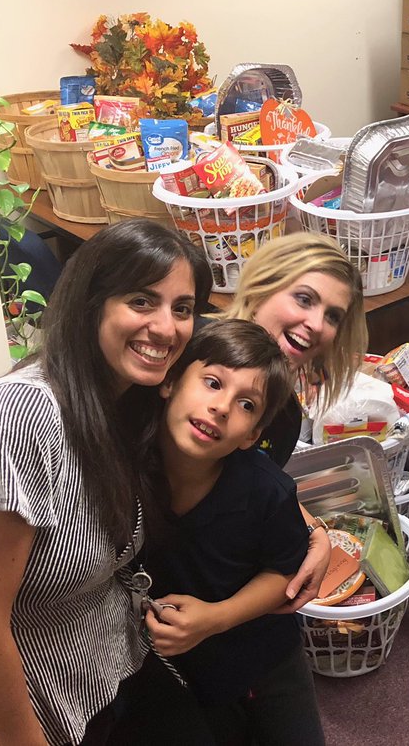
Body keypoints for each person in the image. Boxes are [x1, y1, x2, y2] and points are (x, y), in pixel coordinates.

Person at [0, 219, 211, 745]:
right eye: (141, 301)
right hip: (24, 711)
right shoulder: (21, 414)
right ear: (91, 302)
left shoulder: (129, 400)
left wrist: (311, 530)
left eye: (182, 308)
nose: (166, 328)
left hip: (101, 673)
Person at [127, 320, 324, 746]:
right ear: (171, 383)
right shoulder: (125, 463)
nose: (221, 407)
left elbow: (285, 575)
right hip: (174, 665)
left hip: (262, 654)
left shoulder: (265, 491)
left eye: (247, 405)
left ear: (251, 436)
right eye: (212, 383)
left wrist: (215, 618)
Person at [213, 231, 369, 467]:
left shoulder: (285, 418)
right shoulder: (192, 355)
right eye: (304, 299)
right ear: (260, 290)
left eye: (333, 316)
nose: (317, 325)